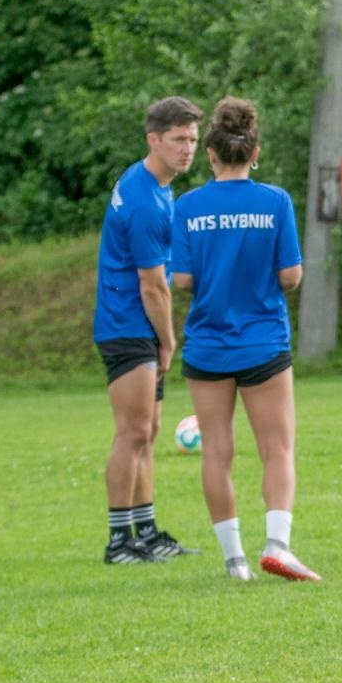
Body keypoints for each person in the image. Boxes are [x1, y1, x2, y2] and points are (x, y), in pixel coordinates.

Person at [169, 97, 319, 583]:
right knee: (277, 448)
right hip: (263, 343)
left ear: (210, 153)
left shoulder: (187, 206)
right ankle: (277, 544)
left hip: (207, 346)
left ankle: (234, 560)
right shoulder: (274, 201)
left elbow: (182, 280)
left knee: (217, 451)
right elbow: (291, 275)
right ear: (254, 152)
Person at [93, 96, 204, 564]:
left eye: (193, 140)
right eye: (178, 139)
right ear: (153, 140)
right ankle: (120, 540)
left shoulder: (157, 188)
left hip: (134, 324)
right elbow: (153, 285)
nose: (187, 149)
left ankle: (147, 531)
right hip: (126, 323)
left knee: (149, 429)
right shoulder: (145, 201)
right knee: (132, 431)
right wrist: (169, 338)